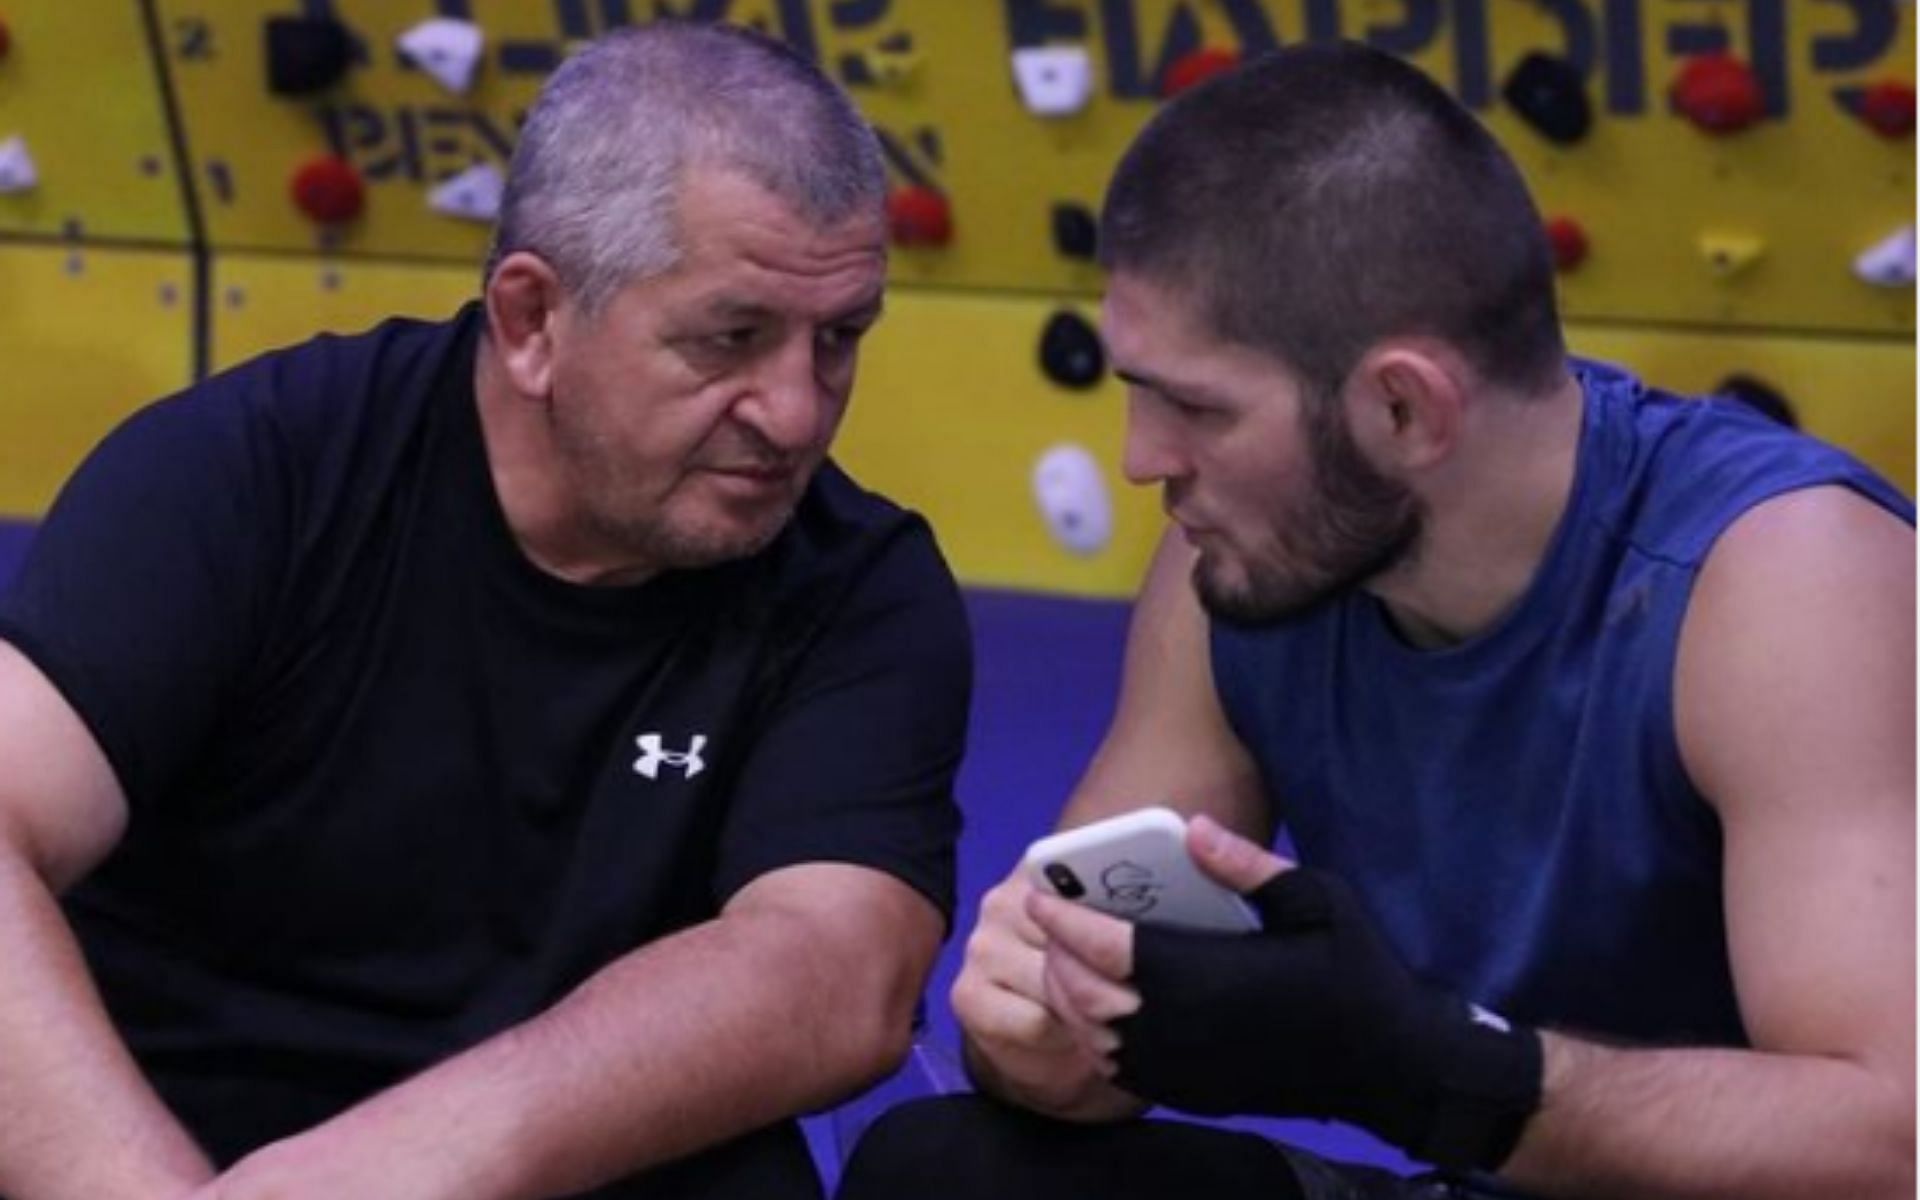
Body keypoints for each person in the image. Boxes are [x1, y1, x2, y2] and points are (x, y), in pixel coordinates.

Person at [839, 40, 1914, 1200]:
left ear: (1402, 406)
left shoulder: (1783, 577)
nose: (1145, 461)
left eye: (1196, 407)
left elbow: (1894, 1142)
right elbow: (1088, 1034)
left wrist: (1432, 1069)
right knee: (943, 1172)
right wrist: (1042, 1024)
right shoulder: (1245, 563)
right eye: (1138, 394)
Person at [0, 22, 971, 1200]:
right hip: (175, 1140)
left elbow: (834, 969)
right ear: (530, 321)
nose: (797, 410)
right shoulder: (252, 475)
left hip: (581, 1170)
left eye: (840, 339)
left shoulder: (859, 586)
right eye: (733, 338)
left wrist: (424, 1157)